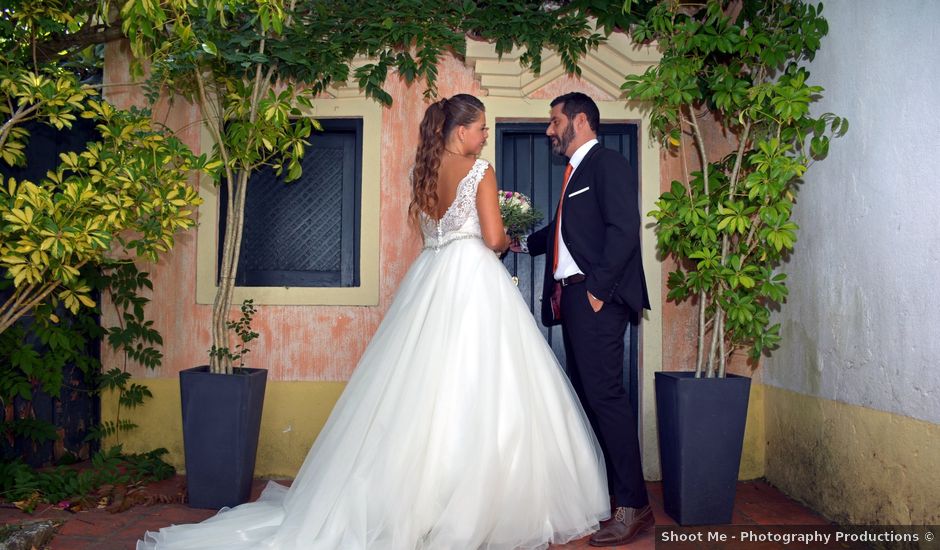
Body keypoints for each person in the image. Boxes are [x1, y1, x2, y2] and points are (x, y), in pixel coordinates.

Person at [138, 93, 609, 550]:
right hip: (472, 280)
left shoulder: (424, 174)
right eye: (482, 128)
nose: (486, 136)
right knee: (480, 385)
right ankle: (471, 502)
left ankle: (410, 500)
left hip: (431, 278)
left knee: (419, 390)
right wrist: (509, 230)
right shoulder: (479, 171)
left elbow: (439, 230)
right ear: (462, 130)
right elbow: (491, 239)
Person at [514, 92, 653, 547]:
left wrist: (596, 291)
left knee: (606, 397)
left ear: (579, 120)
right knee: (590, 400)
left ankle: (635, 506)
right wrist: (518, 245)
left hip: (597, 299)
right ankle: (605, 496)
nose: (549, 130)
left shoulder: (607, 164)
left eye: (555, 122)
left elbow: (624, 230)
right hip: (572, 301)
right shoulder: (574, 173)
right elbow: (562, 230)